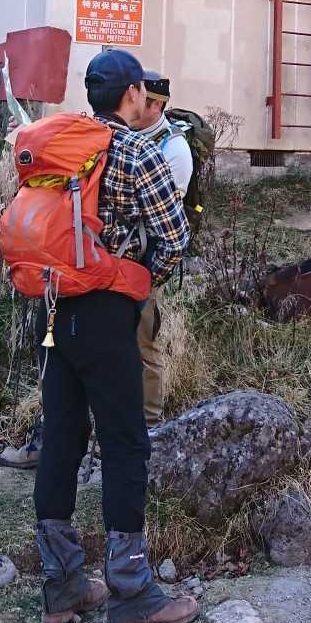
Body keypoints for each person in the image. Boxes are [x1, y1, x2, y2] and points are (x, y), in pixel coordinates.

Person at [31, 50, 199, 623]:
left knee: (61, 440)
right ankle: (132, 595)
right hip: (106, 313)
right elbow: (174, 239)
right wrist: (139, 279)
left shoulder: (62, 146)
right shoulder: (135, 152)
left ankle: (63, 589)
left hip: (54, 308)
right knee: (125, 443)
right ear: (133, 94)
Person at [131, 73, 193, 429]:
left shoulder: (175, 149)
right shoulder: (132, 135)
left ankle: (150, 423)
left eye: (140, 101)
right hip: (121, 259)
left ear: (156, 105)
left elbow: (165, 218)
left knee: (144, 344)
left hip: (148, 260)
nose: (133, 107)